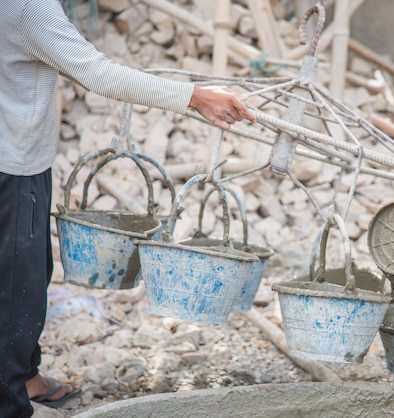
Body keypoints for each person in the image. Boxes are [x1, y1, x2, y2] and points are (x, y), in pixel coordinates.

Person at [1, 1, 256, 416]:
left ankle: (25, 374)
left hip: (15, 156)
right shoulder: (29, 7)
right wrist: (194, 96)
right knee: (16, 285)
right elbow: (97, 73)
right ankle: (8, 400)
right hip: (13, 167)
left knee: (29, 269)